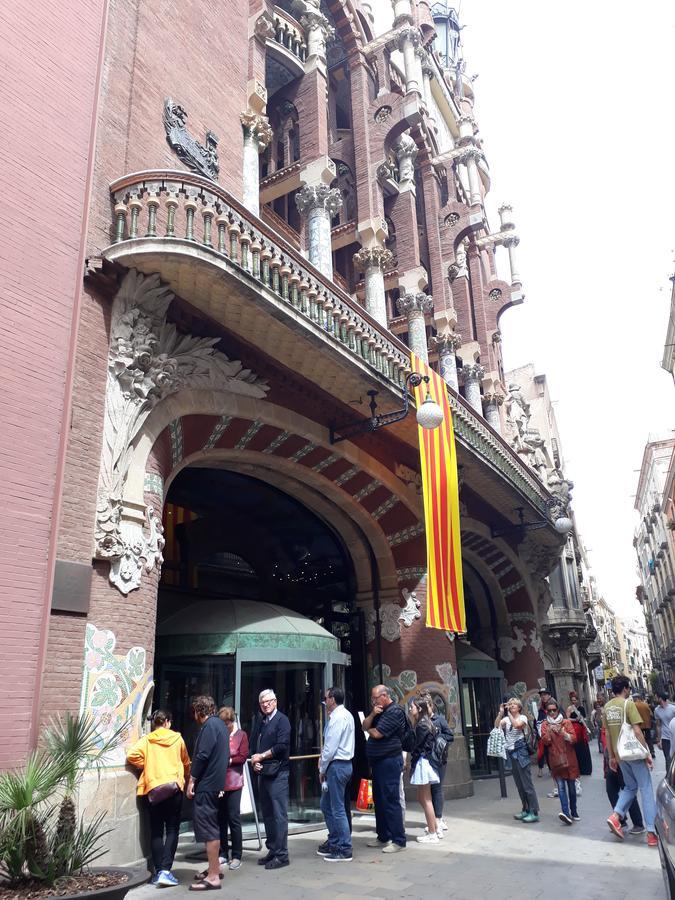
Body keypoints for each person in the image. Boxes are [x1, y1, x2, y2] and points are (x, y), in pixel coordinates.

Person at [127, 710, 191, 887]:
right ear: (168, 722)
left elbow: (131, 755)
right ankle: (165, 870)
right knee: (172, 829)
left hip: (154, 790)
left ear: (155, 723)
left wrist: (146, 764)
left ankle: (157, 871)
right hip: (173, 789)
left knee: (156, 831)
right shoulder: (177, 739)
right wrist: (185, 776)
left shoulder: (147, 740)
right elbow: (186, 761)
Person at [603, 675, 657, 847]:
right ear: (625, 688)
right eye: (629, 688)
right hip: (633, 753)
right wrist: (647, 752)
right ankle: (651, 832)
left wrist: (612, 757)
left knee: (630, 787)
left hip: (620, 755)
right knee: (646, 789)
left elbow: (608, 735)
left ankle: (616, 815)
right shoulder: (628, 704)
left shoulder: (606, 707)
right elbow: (637, 731)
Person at [187, 695, 230, 891]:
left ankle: (213, 877)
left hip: (207, 785)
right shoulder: (221, 725)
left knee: (209, 830)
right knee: (212, 827)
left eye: (194, 712)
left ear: (198, 712)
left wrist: (192, 779)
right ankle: (214, 868)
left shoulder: (209, 727)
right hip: (215, 783)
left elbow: (203, 755)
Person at [362, 684, 407, 853]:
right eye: (372, 698)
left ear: (385, 695)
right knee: (379, 800)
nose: (373, 701)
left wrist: (371, 727)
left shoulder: (395, 712)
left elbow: (376, 734)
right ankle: (383, 836)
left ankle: (398, 840)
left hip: (389, 761)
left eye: (375, 698)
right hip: (378, 761)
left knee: (391, 799)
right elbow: (364, 726)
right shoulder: (378, 712)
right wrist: (373, 714)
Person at [250, 689, 291, 870]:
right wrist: (254, 762)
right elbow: (254, 744)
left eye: (268, 701)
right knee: (267, 814)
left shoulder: (282, 720)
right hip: (263, 773)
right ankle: (273, 850)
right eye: (262, 702)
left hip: (278, 773)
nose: (265, 705)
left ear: (275, 701)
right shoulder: (261, 721)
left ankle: (282, 855)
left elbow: (282, 746)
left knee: (279, 815)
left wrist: (262, 756)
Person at [316, 686, 355, 862]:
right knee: (327, 805)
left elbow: (330, 747)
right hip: (342, 765)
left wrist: (322, 769)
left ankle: (344, 847)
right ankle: (335, 840)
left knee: (337, 808)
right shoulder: (346, 715)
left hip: (337, 766)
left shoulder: (337, 718)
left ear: (332, 699)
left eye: (326, 698)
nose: (324, 702)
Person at [496, 698, 539, 823]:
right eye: (510, 704)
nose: (511, 706)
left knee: (527, 784)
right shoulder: (506, 718)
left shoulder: (523, 718)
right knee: (519, 785)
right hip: (511, 752)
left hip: (521, 752)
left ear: (519, 707)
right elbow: (497, 725)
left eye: (514, 704)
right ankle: (525, 809)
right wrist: (500, 713)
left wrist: (508, 713)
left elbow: (517, 725)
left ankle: (534, 811)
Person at [417, 690, 453, 834]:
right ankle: (432, 820)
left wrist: (437, 737)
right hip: (426, 758)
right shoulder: (420, 721)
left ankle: (438, 818)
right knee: (427, 790)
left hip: (438, 758)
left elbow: (449, 736)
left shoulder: (439, 720)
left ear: (431, 706)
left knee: (437, 788)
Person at [217, 707, 249, 871]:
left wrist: (227, 761)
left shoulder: (241, 735)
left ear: (231, 722)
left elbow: (243, 756)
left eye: (226, 723)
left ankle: (237, 855)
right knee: (220, 819)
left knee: (233, 818)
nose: (224, 726)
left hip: (234, 782)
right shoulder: (220, 734)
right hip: (219, 781)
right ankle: (223, 852)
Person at [540, 699, 579, 825]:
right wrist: (550, 732)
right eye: (549, 710)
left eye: (554, 710)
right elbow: (545, 741)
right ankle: (566, 813)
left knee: (572, 788)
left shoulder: (566, 722)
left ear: (558, 710)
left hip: (569, 758)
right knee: (561, 788)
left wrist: (563, 733)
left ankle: (574, 811)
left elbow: (574, 739)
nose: (552, 713)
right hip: (556, 760)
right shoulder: (545, 724)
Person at [408, 697, 441, 844]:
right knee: (423, 798)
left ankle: (433, 832)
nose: (410, 709)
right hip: (426, 762)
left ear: (419, 709)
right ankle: (433, 827)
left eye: (412, 707)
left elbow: (416, 746)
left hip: (423, 762)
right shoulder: (426, 723)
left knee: (426, 799)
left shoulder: (421, 725)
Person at [601, 726, 645, 835]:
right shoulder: (607, 722)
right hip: (612, 761)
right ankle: (620, 820)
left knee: (628, 791)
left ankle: (638, 823)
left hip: (622, 760)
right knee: (611, 790)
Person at [566, 692, 592, 785]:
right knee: (576, 749)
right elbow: (567, 719)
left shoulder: (581, 708)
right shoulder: (569, 708)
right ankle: (578, 769)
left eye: (575, 700)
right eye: (572, 700)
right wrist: (575, 719)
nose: (574, 702)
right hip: (573, 729)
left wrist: (581, 719)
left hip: (581, 730)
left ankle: (586, 769)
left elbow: (584, 718)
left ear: (577, 700)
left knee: (583, 748)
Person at [655, 692, 675, 769]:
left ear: (660, 698)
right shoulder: (657, 710)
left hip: (673, 734)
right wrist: (658, 739)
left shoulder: (673, 708)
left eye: (656, 697)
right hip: (665, 737)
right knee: (668, 758)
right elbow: (658, 725)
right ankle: (669, 777)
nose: (655, 699)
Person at [633, 693, 655, 759]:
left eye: (634, 698)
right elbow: (651, 714)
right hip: (647, 724)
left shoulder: (634, 705)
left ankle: (643, 752)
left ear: (636, 698)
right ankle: (652, 751)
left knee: (640, 738)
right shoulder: (645, 705)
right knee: (649, 739)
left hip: (639, 725)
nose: (633, 699)